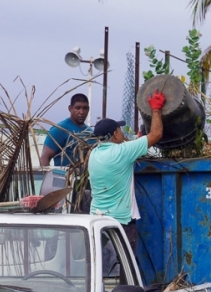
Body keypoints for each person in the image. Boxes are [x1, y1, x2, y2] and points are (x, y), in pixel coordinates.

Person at [87, 91, 165, 251]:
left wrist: (139, 139)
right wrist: (156, 109)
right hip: (120, 221)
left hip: (97, 217)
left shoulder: (94, 154)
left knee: (99, 260)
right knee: (125, 264)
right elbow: (156, 134)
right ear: (115, 134)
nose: (122, 132)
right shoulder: (122, 152)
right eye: (120, 130)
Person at [40, 93, 92, 168]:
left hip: (85, 178)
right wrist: (47, 177)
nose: (81, 112)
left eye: (85, 108)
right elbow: (44, 158)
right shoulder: (60, 129)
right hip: (65, 178)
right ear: (70, 108)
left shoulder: (90, 132)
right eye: (77, 108)